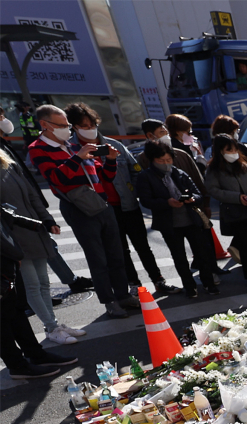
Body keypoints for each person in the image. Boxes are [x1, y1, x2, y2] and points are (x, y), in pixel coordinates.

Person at [29, 104, 137, 318]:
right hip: (78, 207)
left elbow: (103, 177)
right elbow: (56, 179)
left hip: (101, 203)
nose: (67, 129)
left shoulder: (71, 145)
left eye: (67, 125)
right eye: (61, 125)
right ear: (44, 125)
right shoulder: (38, 148)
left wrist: (111, 161)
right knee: (98, 258)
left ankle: (123, 295)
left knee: (116, 254)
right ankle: (109, 301)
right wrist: (78, 157)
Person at [66, 103, 175, 297]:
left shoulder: (113, 145)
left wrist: (135, 193)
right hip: (101, 209)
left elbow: (135, 171)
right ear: (74, 127)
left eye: (92, 124)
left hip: (128, 205)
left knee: (143, 245)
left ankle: (158, 280)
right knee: (120, 251)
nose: (90, 129)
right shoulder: (71, 150)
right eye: (84, 126)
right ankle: (134, 285)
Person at [0, 149, 86, 344]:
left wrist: (47, 220)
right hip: (13, 236)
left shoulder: (9, 164)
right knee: (32, 285)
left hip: (34, 229)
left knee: (43, 283)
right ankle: (51, 326)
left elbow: (32, 196)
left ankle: (53, 325)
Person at [1, 206, 77, 378]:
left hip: (8, 262)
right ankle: (17, 366)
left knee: (17, 310)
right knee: (2, 319)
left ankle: (36, 355)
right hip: (5, 261)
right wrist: (15, 254)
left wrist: (36, 224)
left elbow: (6, 216)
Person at [135, 141, 218, 298]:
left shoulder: (179, 173)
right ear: (152, 160)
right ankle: (190, 286)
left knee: (202, 253)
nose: (166, 164)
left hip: (191, 219)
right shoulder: (145, 177)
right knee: (179, 257)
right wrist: (167, 202)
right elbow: (145, 200)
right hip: (169, 224)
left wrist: (192, 199)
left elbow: (198, 193)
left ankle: (209, 283)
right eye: (161, 161)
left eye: (168, 160)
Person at [205, 134, 247, 288]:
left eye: (235, 149)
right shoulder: (214, 170)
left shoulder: (245, 166)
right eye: (229, 150)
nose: (233, 153)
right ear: (220, 151)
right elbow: (213, 190)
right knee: (244, 246)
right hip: (235, 212)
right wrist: (237, 197)